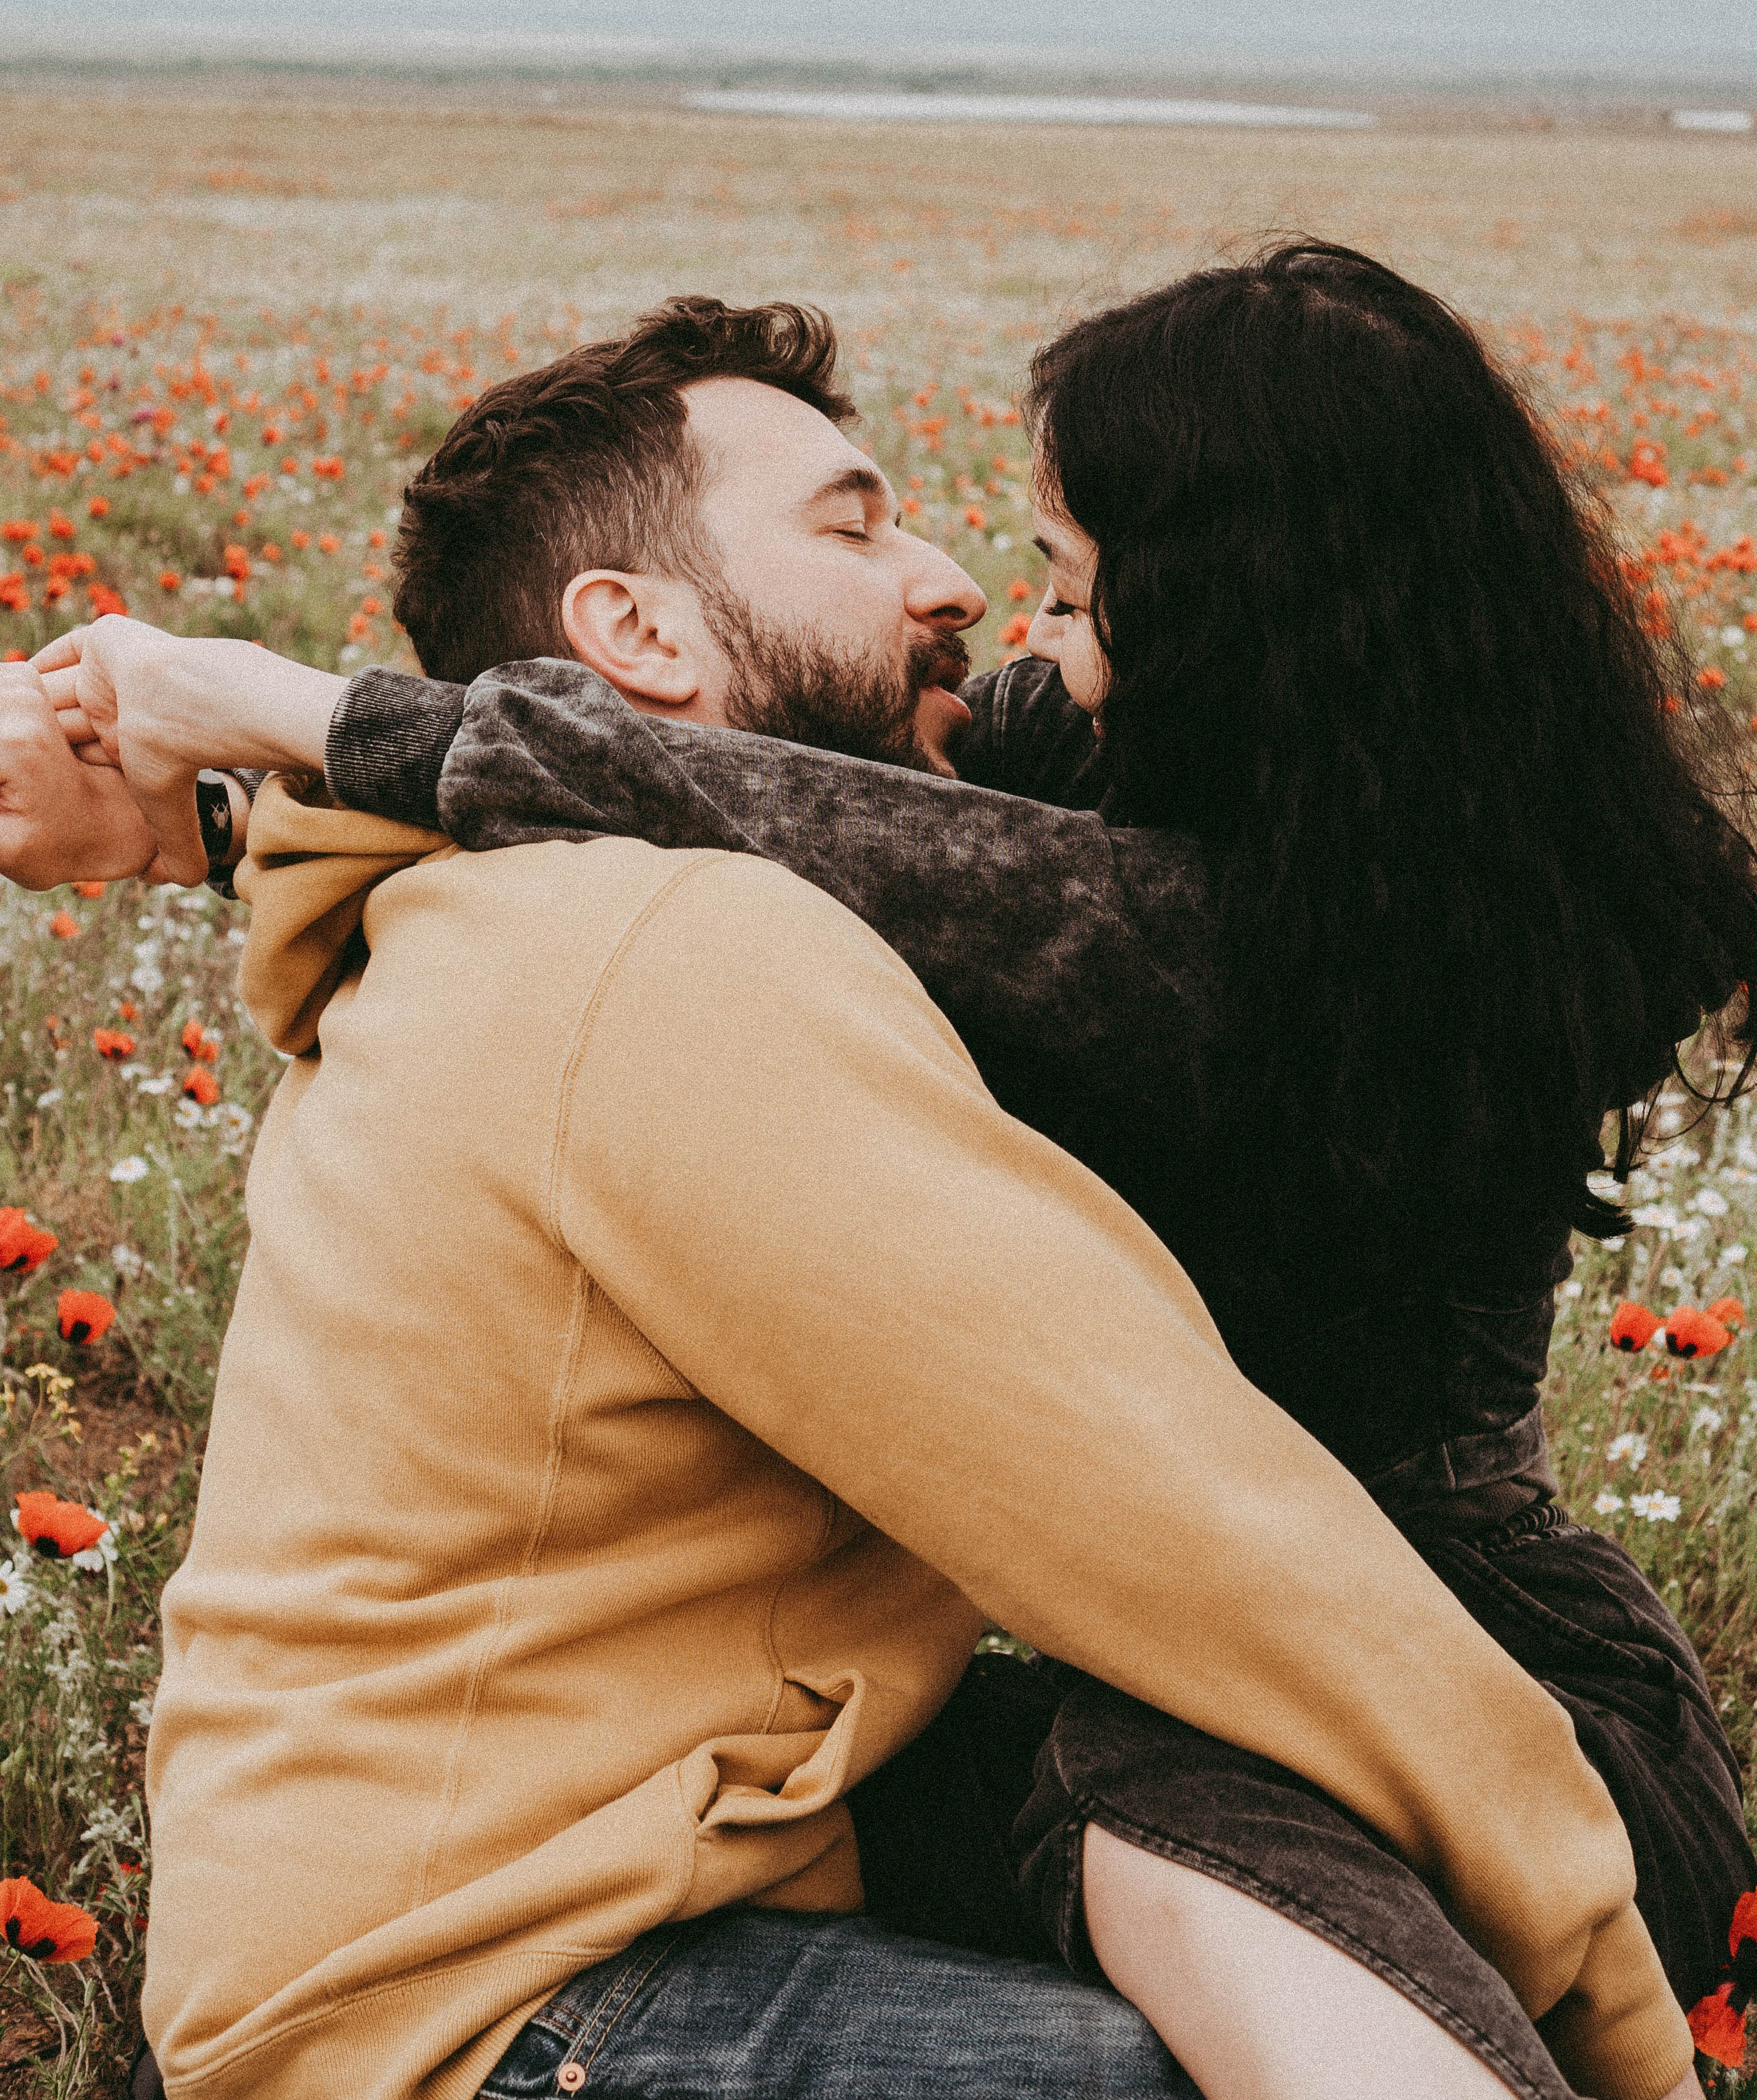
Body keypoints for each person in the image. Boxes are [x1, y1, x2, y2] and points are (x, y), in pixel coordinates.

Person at [3, 294, 1706, 2100]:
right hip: (495, 1991)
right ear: (636, 628)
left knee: (1183, 1854)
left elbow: (807, 827)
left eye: (1060, 574)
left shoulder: (1232, 922)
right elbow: (1161, 1500)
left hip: (1341, 1683)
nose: (970, 586)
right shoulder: (667, 941)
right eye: (859, 523)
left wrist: (253, 747)